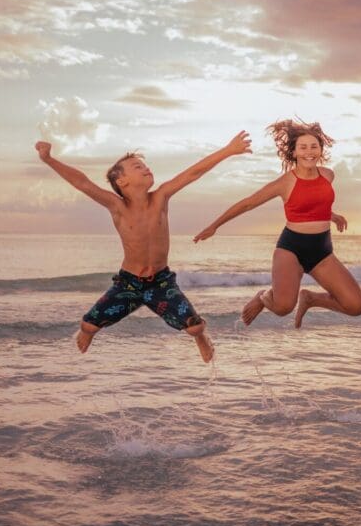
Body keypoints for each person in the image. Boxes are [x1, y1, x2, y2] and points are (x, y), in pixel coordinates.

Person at [34, 131, 252, 361]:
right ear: (122, 181)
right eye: (137, 166)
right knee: (88, 325)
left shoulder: (161, 197)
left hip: (160, 282)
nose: (146, 168)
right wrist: (49, 159)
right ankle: (88, 332)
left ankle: (201, 338)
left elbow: (193, 173)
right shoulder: (117, 206)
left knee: (195, 327)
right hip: (128, 283)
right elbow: (82, 183)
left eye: (144, 165)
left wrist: (228, 150)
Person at [193, 119, 361, 328]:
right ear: (294, 152)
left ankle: (311, 299)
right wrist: (215, 226)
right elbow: (248, 203)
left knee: (356, 306)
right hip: (291, 249)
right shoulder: (286, 182)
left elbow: (314, 203)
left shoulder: (328, 175)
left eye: (314, 146)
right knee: (283, 307)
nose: (309, 152)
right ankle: (263, 296)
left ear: (321, 149)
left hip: (322, 251)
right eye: (303, 147)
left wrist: (333, 215)